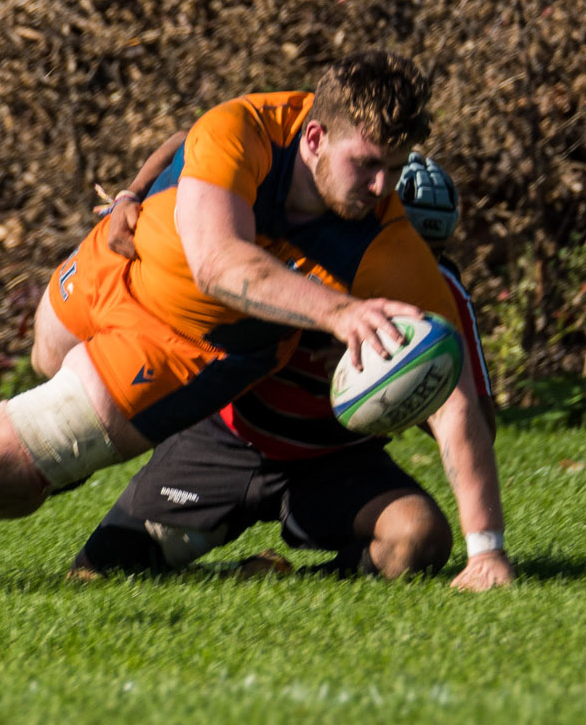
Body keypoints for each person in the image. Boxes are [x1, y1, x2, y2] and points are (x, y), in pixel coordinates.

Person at [0, 45, 442, 528]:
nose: (381, 184)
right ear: (317, 135)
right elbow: (192, 141)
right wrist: (133, 192)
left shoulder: (378, 239)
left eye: (392, 167)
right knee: (45, 354)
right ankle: (69, 458)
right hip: (123, 264)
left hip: (184, 344)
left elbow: (221, 265)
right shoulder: (266, 121)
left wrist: (486, 547)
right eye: (369, 164)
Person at [68, 146, 514, 592]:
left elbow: (478, 424)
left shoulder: (438, 295)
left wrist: (398, 375)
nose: (416, 267)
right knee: (95, 572)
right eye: (408, 245)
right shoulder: (290, 250)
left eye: (432, 252)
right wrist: (132, 194)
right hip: (225, 439)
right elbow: (193, 144)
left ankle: (278, 580)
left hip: (339, 461)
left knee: (419, 538)